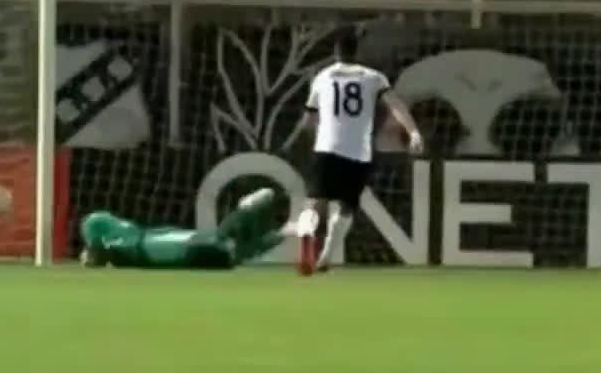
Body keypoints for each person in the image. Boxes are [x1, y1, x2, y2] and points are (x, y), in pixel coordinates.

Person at [299, 30, 423, 274]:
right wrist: (414, 132)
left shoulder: (322, 77)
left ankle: (306, 232)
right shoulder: (374, 78)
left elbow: (308, 121)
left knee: (314, 203)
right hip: (357, 151)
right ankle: (326, 258)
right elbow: (396, 105)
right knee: (347, 206)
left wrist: (314, 138)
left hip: (326, 147)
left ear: (336, 53)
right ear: (357, 52)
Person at [80, 187, 286, 269]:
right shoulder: (119, 243)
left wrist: (91, 252)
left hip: (162, 246)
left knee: (219, 245)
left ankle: (245, 210)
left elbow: (94, 230)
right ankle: (266, 236)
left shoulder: (114, 238)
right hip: (165, 248)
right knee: (226, 255)